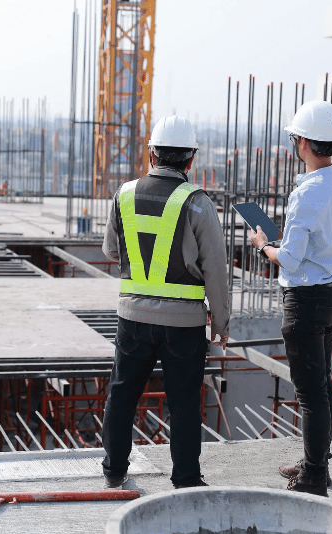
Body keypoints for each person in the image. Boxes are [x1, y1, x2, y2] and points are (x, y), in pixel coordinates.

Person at [100, 115, 230, 490]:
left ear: (151, 153)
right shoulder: (198, 204)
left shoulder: (123, 194)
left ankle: (113, 469)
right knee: (185, 402)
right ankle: (186, 478)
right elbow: (216, 273)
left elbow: (112, 249)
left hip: (133, 318)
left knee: (123, 393)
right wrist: (221, 323)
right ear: (190, 160)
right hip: (185, 325)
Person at [249, 100, 332, 498]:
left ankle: (313, 479)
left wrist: (263, 245)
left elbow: (289, 258)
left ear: (303, 141)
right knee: (323, 388)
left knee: (311, 394)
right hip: (331, 296)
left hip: (305, 300)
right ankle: (315, 465)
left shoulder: (305, 192)